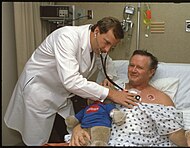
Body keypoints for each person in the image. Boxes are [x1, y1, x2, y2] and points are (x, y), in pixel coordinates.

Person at [4, 16, 138, 146]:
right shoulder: (67, 37)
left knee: (71, 136)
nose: (107, 50)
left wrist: (108, 77)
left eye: (112, 47)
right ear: (96, 31)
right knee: (37, 141)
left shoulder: (97, 45)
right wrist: (111, 93)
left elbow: (106, 62)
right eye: (107, 42)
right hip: (39, 91)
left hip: (61, 95)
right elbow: (71, 81)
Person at [69, 50, 190, 147]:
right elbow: (91, 113)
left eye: (139, 67)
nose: (133, 70)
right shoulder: (112, 90)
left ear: (151, 72)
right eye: (131, 65)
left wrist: (189, 134)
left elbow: (174, 133)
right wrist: (77, 128)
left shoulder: (161, 99)